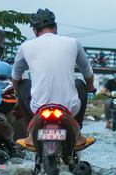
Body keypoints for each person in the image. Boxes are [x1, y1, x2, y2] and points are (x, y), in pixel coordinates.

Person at [11, 9, 96, 142]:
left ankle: (30, 134)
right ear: (55, 27)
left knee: (22, 84)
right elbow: (87, 72)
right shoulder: (73, 43)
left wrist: (16, 90)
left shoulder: (25, 46)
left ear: (34, 31)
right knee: (80, 84)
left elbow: (16, 76)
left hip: (38, 107)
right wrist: (90, 87)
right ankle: (78, 133)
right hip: (70, 107)